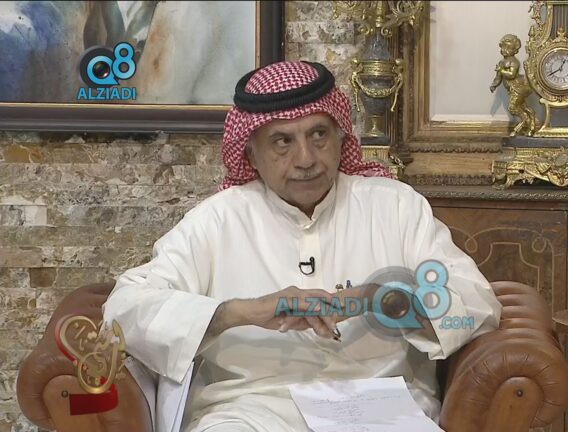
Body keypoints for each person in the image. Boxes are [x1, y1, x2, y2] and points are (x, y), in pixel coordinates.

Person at [102, 60, 502, 432]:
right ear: (251, 153)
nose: (306, 158)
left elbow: (476, 302)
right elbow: (124, 311)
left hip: (380, 405)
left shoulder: (395, 207)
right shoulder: (217, 220)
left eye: (318, 135)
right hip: (251, 410)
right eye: (282, 141)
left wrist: (382, 299)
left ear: (340, 135)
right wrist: (239, 312)